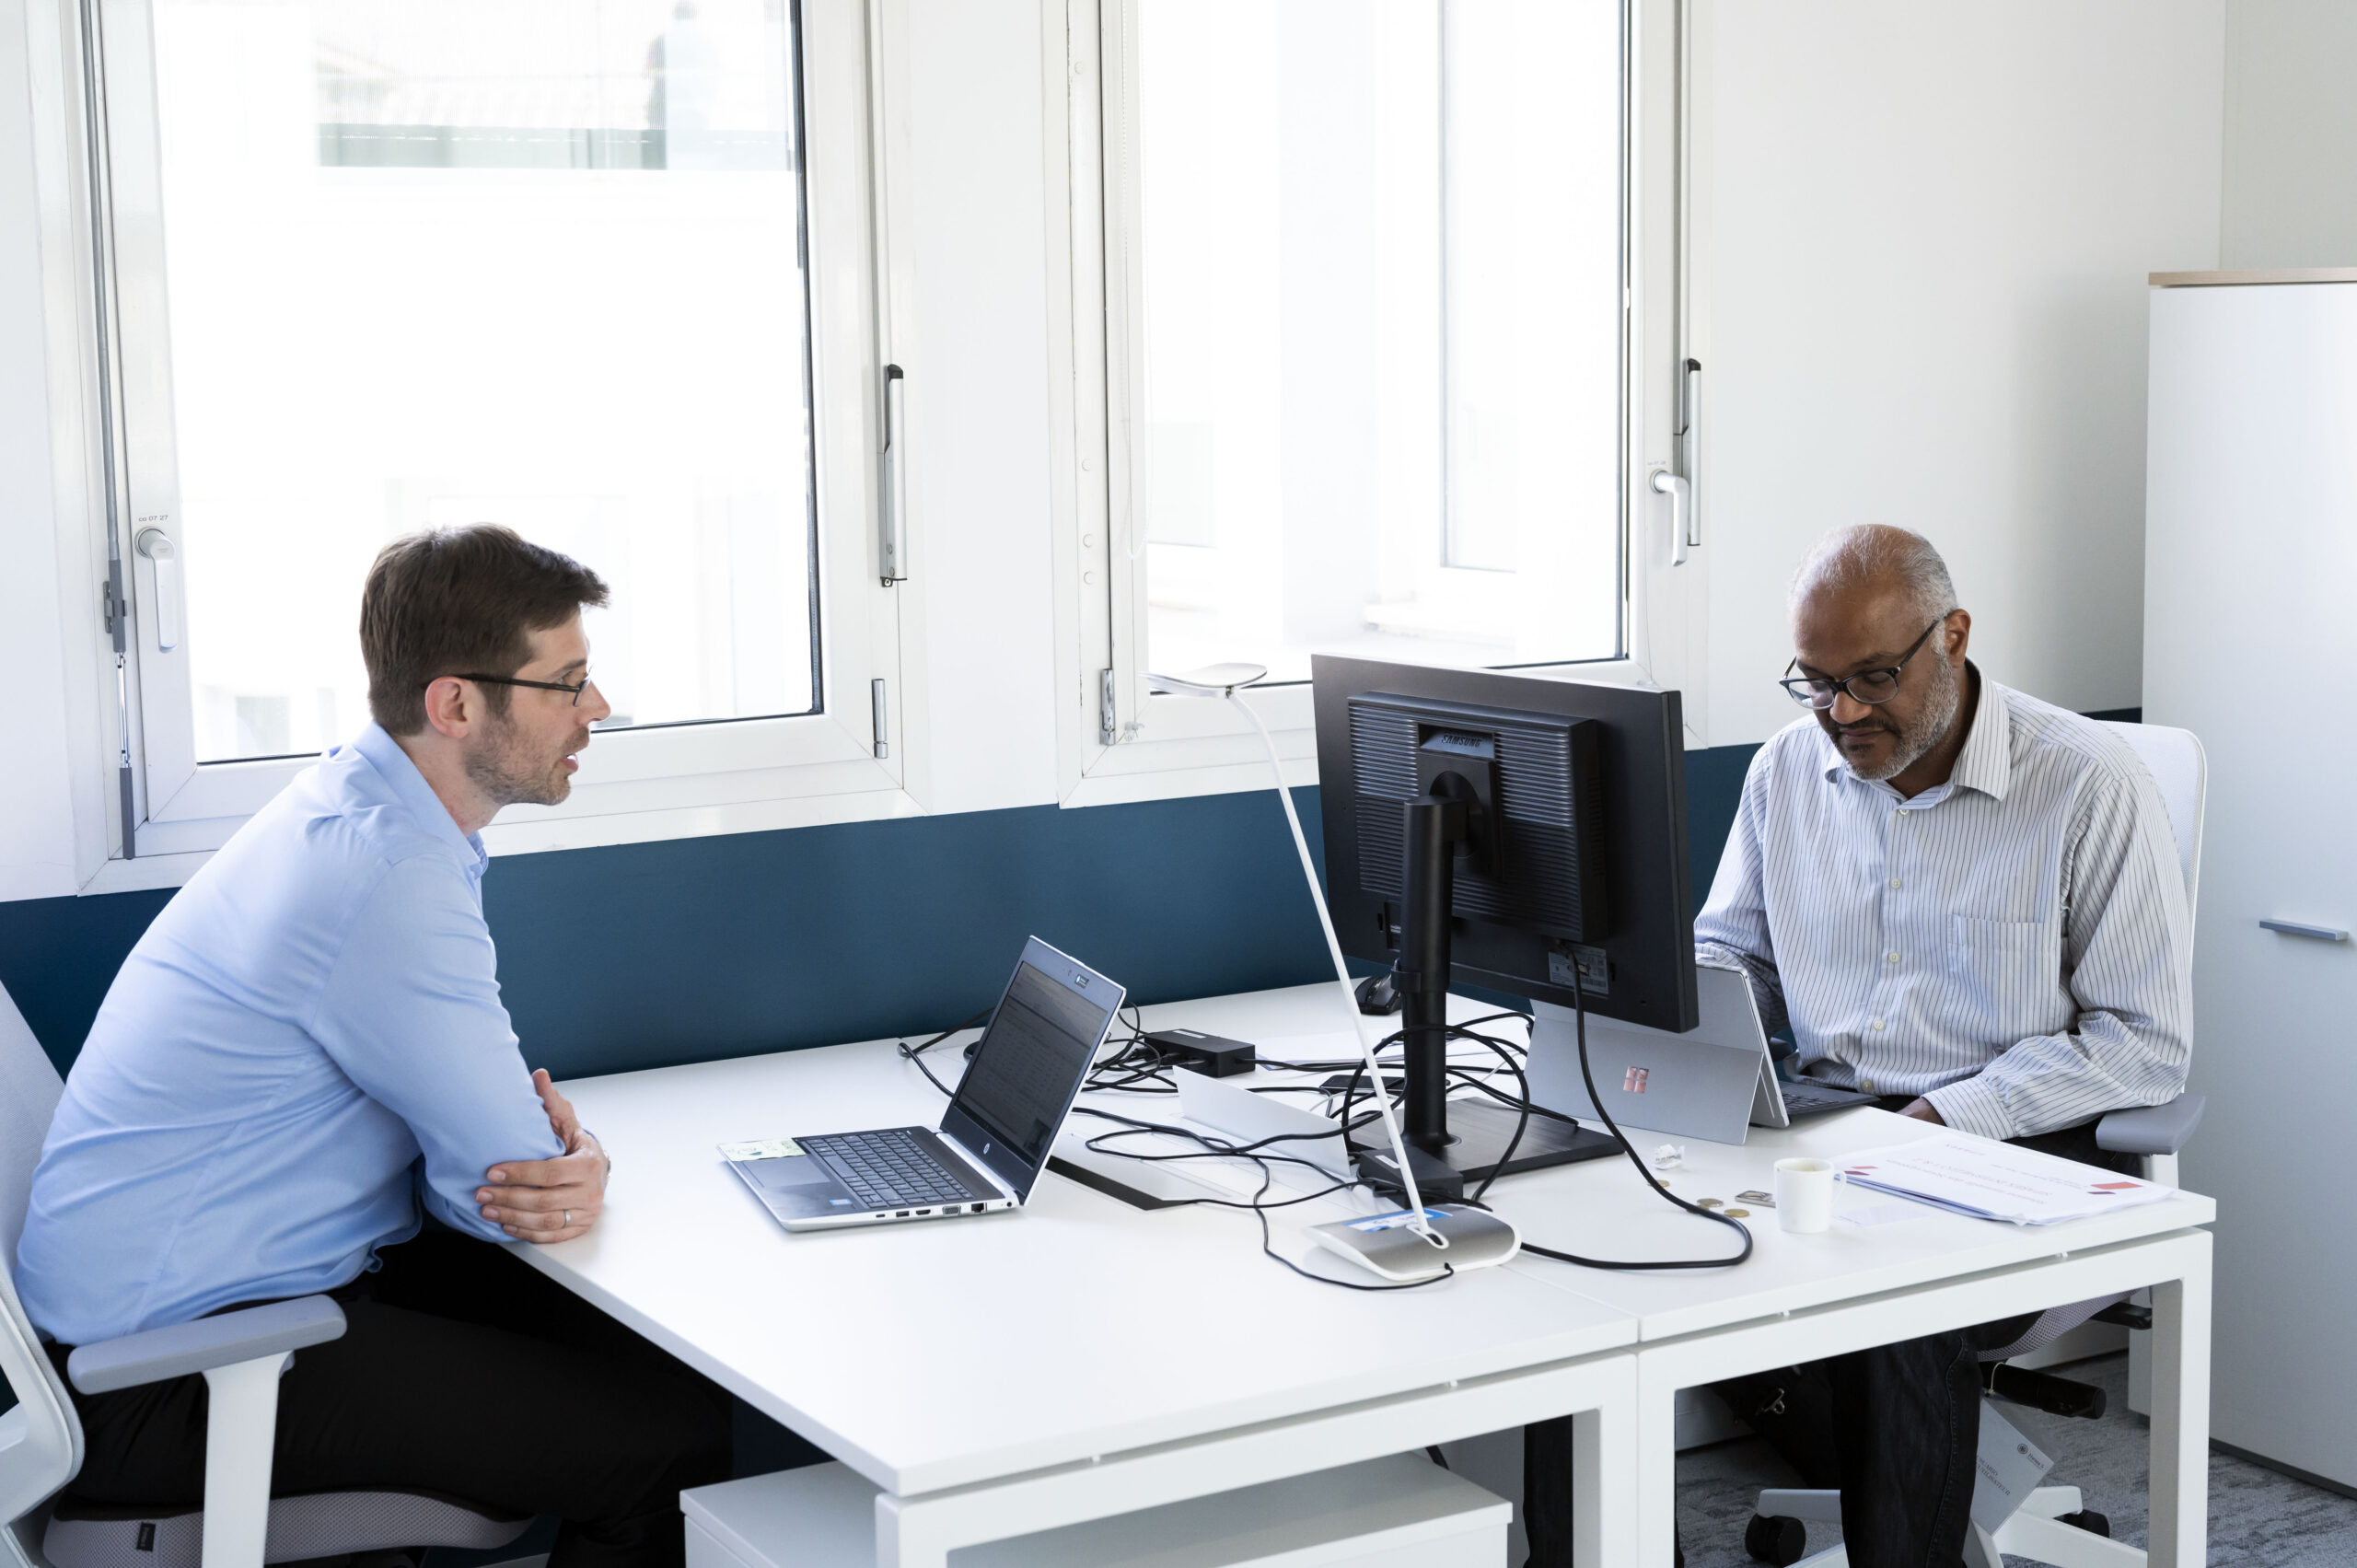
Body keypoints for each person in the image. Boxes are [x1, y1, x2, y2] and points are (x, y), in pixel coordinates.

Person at [18, 525, 732, 1568]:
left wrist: (533, 1155)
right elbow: (505, 1189)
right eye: (566, 682)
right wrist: (568, 1159)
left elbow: (489, 1173)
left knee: (649, 1365)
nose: (597, 707)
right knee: (670, 1438)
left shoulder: (356, 812)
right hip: (167, 1377)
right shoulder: (388, 872)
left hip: (188, 1318)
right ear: (455, 705)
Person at [1524, 524, 2192, 1568]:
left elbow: (2144, 1043)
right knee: (1602, 1243)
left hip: (2020, 1137)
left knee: (1902, 1294)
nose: (1841, 713)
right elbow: (1729, 951)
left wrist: (1942, 1115)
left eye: (1874, 678)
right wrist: (1693, 1028)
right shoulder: (1788, 769)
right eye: (1817, 682)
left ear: (1953, 637)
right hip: (1831, 1120)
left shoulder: (2086, 782)